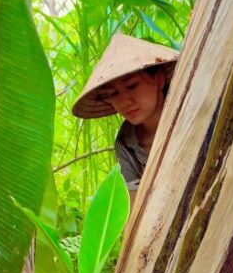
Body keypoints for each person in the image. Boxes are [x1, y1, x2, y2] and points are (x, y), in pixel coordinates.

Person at [71, 33, 179, 202]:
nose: (124, 101)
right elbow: (133, 203)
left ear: (158, 79)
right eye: (113, 94)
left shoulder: (186, 113)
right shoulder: (126, 143)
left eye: (132, 85)